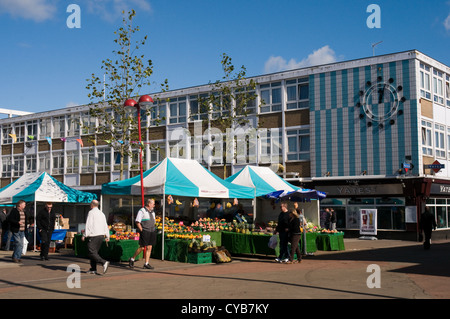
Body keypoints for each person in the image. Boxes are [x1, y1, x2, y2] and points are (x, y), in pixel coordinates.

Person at [82, 200, 110, 275]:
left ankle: (104, 262)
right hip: (101, 235)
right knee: (94, 252)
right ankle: (93, 269)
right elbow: (105, 225)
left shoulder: (91, 213)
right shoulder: (102, 213)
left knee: (91, 251)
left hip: (94, 235)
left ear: (92, 205)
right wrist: (107, 235)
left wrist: (85, 235)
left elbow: (89, 224)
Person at [129, 198, 157, 270]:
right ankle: (132, 259)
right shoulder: (142, 211)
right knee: (142, 247)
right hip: (145, 231)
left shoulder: (153, 212)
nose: (154, 205)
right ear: (149, 204)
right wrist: (142, 230)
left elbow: (154, 221)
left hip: (152, 231)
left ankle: (146, 263)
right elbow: (137, 221)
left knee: (149, 247)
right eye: (153, 204)